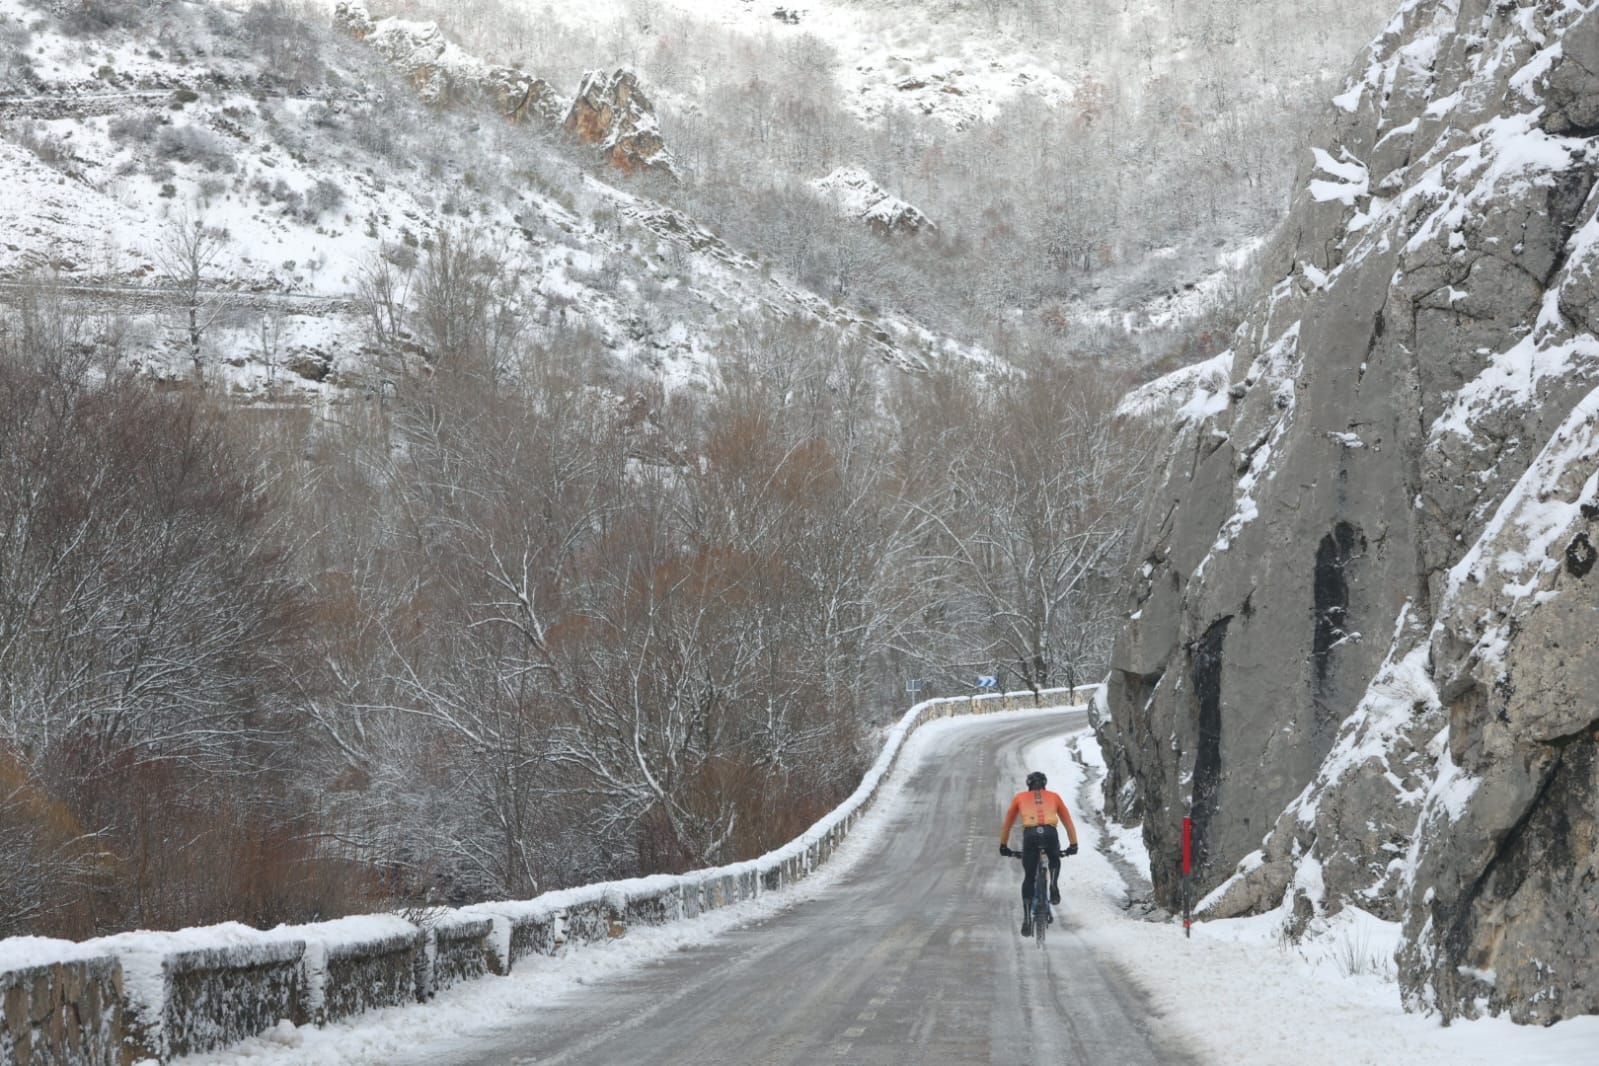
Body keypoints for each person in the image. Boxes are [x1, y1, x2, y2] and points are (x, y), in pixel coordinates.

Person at [999, 770, 1079, 936]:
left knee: (1029, 878)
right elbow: (1068, 822)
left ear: (1028, 785)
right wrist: (1073, 845)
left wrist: (1004, 846)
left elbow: (1007, 824)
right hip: (1050, 833)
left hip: (1030, 835)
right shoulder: (1054, 796)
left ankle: (1027, 919)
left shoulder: (1020, 798)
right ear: (1044, 784)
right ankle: (1053, 884)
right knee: (1054, 858)